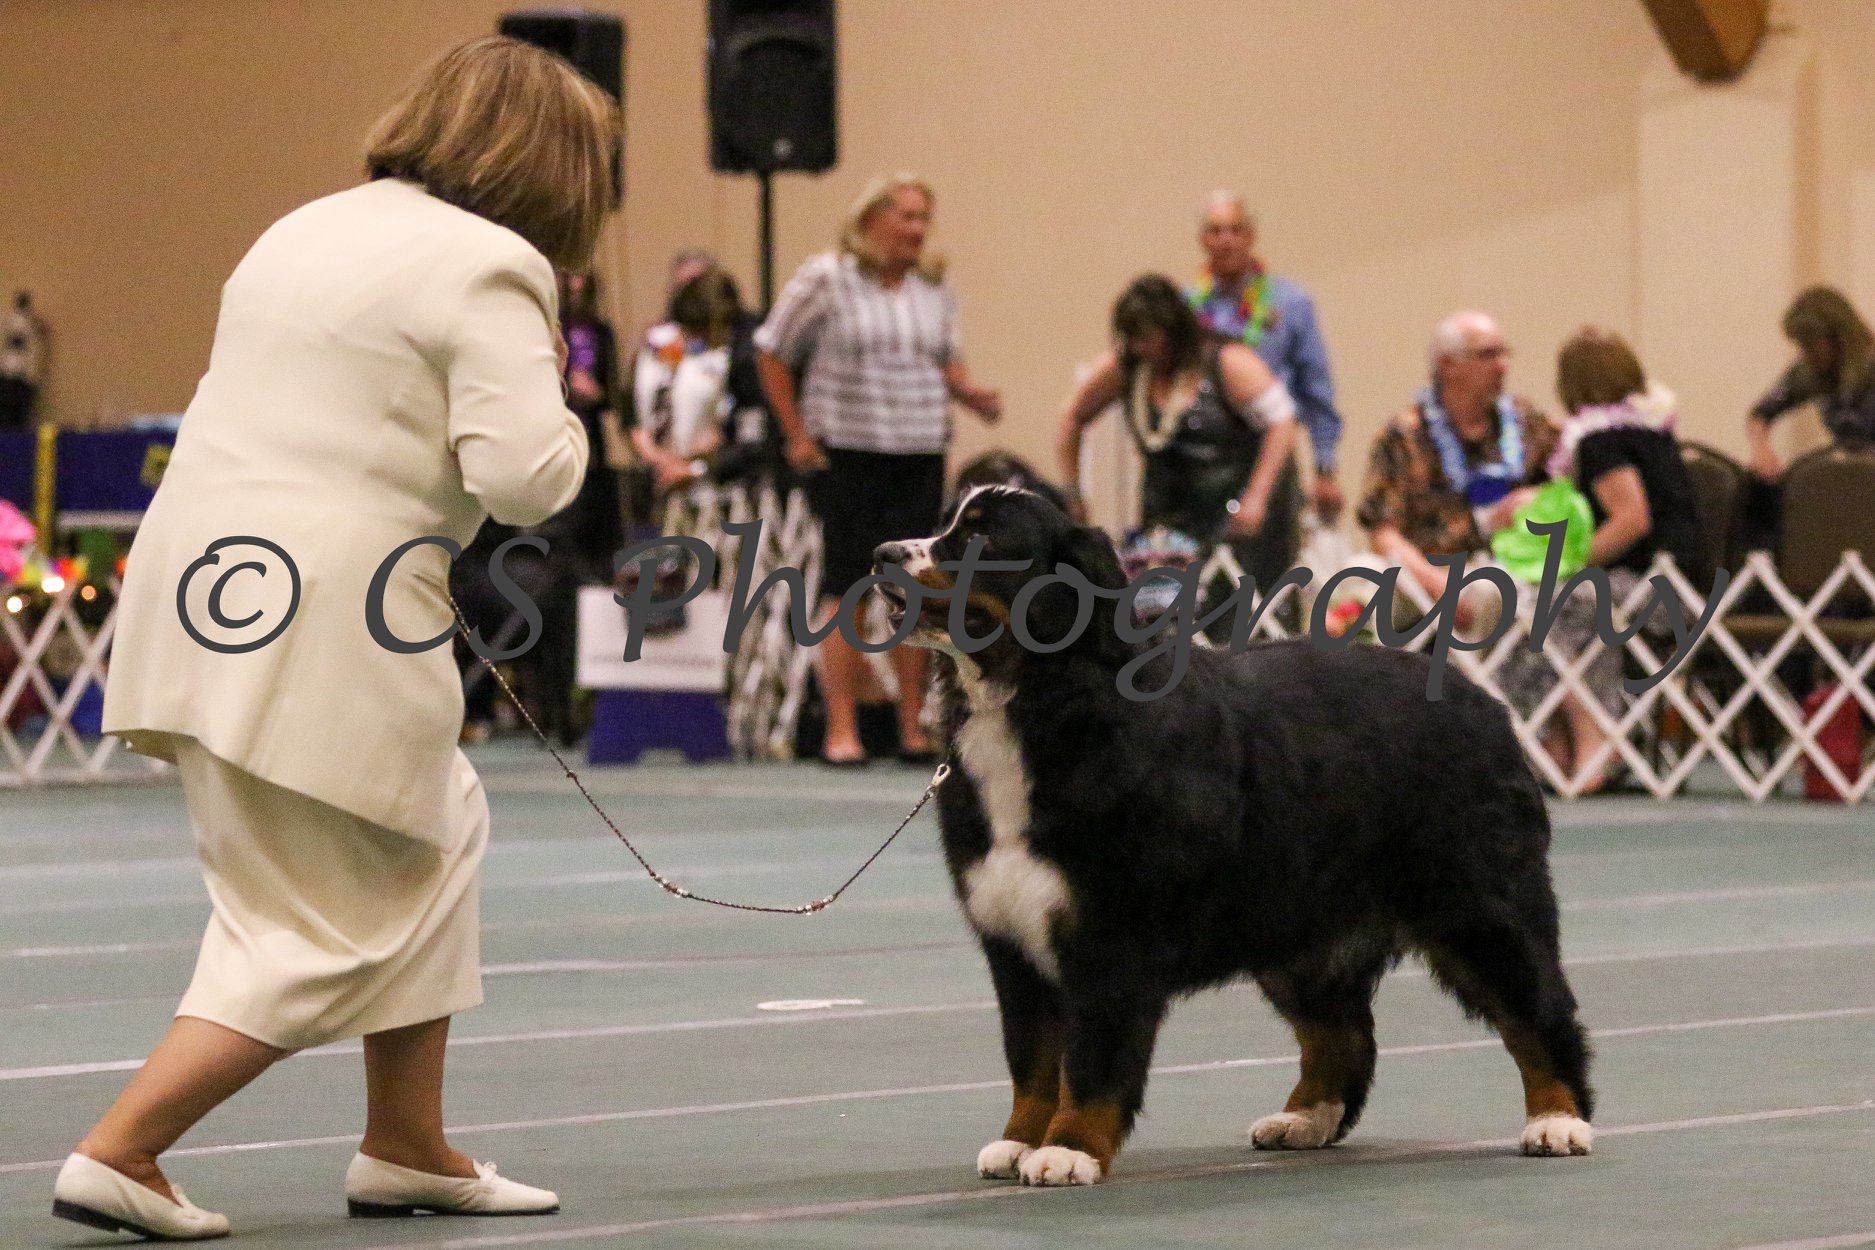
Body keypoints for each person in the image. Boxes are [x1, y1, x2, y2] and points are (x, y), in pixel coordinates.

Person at [66, 37, 613, 1238]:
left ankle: (406, 1142)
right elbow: (524, 481)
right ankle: (123, 1148)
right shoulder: (498, 266)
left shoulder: (304, 226)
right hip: (324, 612)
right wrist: (571, 401)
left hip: (197, 587)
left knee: (432, 826)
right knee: (324, 917)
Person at [755, 173, 1002, 767]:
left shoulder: (932, 289)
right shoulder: (825, 278)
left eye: (924, 219)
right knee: (847, 588)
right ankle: (843, 727)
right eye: (906, 217)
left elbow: (945, 361)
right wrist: (797, 434)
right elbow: (770, 350)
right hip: (848, 453)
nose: (917, 230)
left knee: (915, 592)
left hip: (918, 450)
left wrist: (973, 397)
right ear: (872, 220)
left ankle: (912, 723)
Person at [1531, 327, 1704, 791]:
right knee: (1578, 601)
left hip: (1661, 591)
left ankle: (1593, 737)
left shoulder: (1600, 441)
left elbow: (1631, 520)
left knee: (1557, 598)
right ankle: (1561, 741)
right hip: (1689, 586)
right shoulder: (1650, 431)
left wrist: (1568, 562)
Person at [1057, 273, 1299, 585]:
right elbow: (1072, 417)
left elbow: (1282, 422)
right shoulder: (1126, 368)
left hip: (1238, 519)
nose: (1140, 347)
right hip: (1165, 521)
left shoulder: (1228, 362)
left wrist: (1257, 497)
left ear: (1174, 331)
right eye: (1131, 338)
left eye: (1147, 337)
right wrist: (1073, 493)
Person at [1356, 310, 1559, 617]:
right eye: (1488, 355)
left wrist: (1540, 500)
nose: (1502, 366)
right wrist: (1440, 587)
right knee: (1361, 576)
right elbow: (1384, 533)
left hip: (1505, 570)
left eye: (1505, 354)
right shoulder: (1404, 436)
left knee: (1494, 589)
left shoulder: (1526, 423)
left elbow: (1569, 479)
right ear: (1448, 365)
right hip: (1425, 571)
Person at [1188, 191, 1344, 570]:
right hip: (1204, 456)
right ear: (1203, 240)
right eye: (1216, 231)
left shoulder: (1290, 302)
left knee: (1272, 567)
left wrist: (1325, 468)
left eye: (1235, 230)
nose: (1226, 240)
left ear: (1251, 237)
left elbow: (1316, 388)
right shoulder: (1188, 308)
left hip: (1271, 449)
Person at [1746, 286, 1875, 483]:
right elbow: (1761, 414)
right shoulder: (1811, 371)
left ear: (1839, 338)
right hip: (1850, 476)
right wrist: (1762, 452)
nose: (1808, 353)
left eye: (1813, 344)